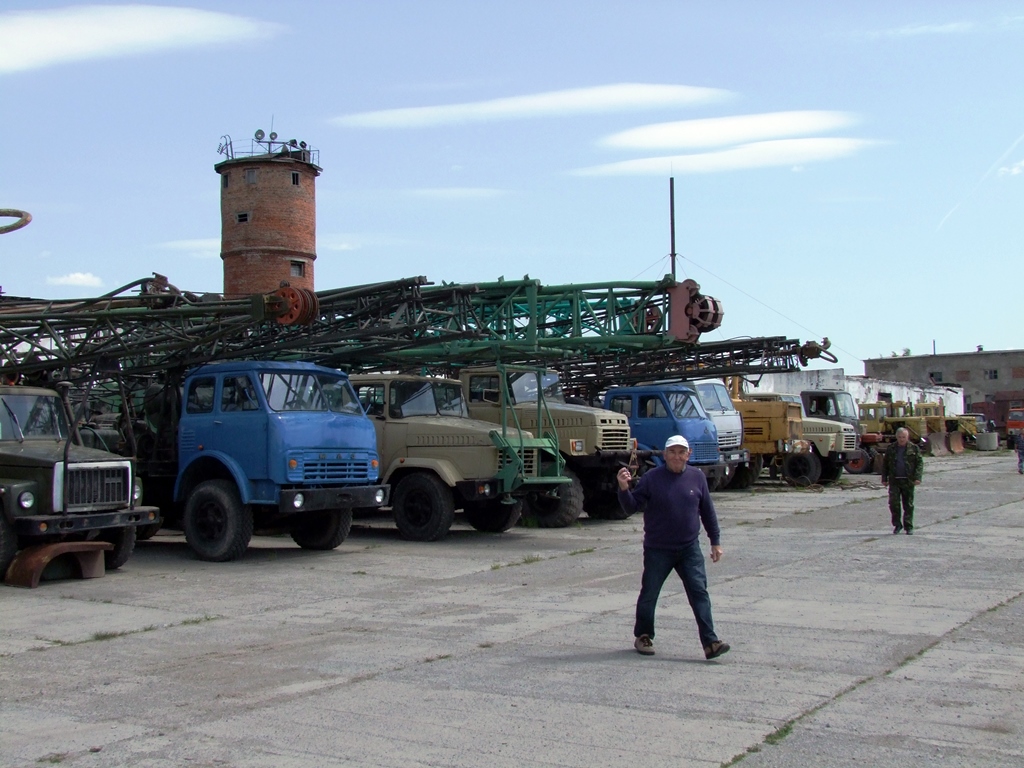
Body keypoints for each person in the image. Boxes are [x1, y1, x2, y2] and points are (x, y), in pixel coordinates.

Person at [616, 434, 730, 660]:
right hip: (658, 549)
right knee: (650, 594)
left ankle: (710, 643)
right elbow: (632, 507)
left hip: (689, 549)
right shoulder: (652, 478)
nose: (677, 456)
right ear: (665, 455)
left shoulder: (697, 478)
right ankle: (644, 636)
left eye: (681, 452)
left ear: (688, 455)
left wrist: (715, 541)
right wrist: (623, 488)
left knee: (699, 593)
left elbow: (707, 511)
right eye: (672, 452)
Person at [881, 427, 924, 534]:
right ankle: (897, 525)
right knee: (893, 504)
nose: (901, 439)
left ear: (907, 437)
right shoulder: (891, 448)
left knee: (908, 505)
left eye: (903, 437)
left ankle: (908, 526)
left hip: (908, 481)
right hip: (894, 480)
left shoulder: (913, 448)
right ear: (896, 437)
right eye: (899, 437)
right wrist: (884, 478)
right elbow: (885, 464)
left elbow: (919, 463)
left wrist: (917, 477)